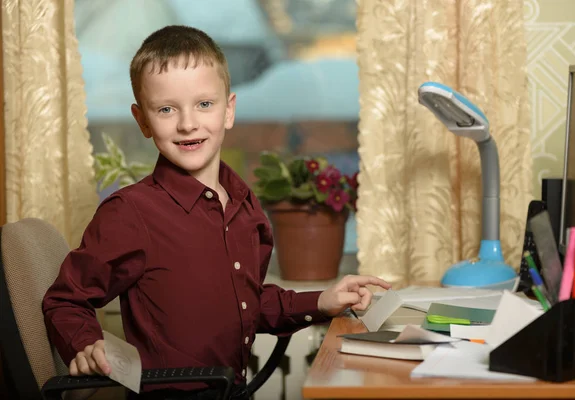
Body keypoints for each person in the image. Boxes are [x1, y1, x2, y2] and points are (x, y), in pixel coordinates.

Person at [42, 25, 390, 400]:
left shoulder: (243, 205)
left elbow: (247, 304)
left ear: (229, 110)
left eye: (204, 104)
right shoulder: (130, 213)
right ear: (143, 120)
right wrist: (86, 343)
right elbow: (64, 300)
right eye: (166, 109)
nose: (187, 123)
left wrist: (322, 301)